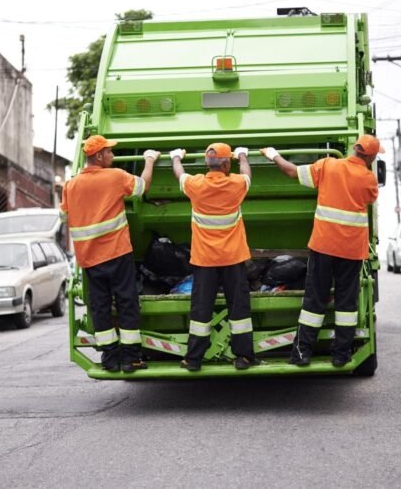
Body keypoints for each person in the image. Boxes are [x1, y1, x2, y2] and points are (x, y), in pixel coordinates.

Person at [260, 135, 381, 367]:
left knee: (315, 299)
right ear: (372, 156)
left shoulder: (327, 165)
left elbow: (291, 172)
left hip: (324, 245)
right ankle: (341, 355)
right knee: (347, 303)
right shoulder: (368, 179)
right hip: (351, 250)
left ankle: (302, 353)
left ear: (355, 149)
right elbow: (369, 198)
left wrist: (273, 154)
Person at [60, 135, 160, 373]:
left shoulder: (70, 185)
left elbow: (64, 216)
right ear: (98, 156)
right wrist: (149, 160)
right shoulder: (114, 177)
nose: (113, 156)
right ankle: (131, 358)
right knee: (127, 303)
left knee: (100, 306)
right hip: (116, 252)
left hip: (89, 258)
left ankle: (110, 359)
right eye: (109, 152)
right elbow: (142, 187)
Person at [170, 143, 260, 371]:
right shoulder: (236, 184)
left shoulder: (196, 184)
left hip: (204, 260)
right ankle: (243, 357)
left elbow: (180, 175)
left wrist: (176, 158)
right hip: (233, 259)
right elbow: (247, 175)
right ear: (227, 163)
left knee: (200, 310)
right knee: (239, 308)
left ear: (206, 164)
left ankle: (193, 359)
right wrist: (243, 156)